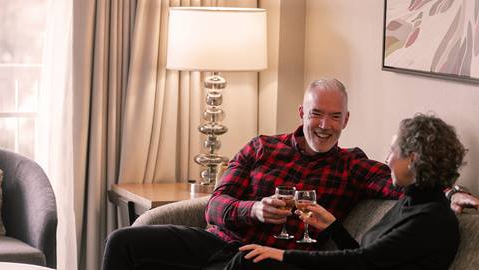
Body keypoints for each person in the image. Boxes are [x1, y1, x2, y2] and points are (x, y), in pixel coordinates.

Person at [101, 78, 478, 270]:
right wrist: (254, 211)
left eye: (335, 116)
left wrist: (451, 192)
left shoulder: (353, 165)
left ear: (346, 120)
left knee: (249, 264)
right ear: (302, 113)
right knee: (123, 242)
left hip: (270, 259)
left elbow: (410, 186)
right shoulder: (261, 147)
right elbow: (216, 205)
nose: (325, 125)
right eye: (317, 114)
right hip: (220, 240)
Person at [225, 114, 465, 270]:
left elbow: (361, 262)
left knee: (250, 263)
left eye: (393, 152)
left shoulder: (430, 220)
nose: (387, 159)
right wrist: (332, 227)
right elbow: (369, 257)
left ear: (412, 159)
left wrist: (283, 255)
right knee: (248, 260)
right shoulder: (412, 202)